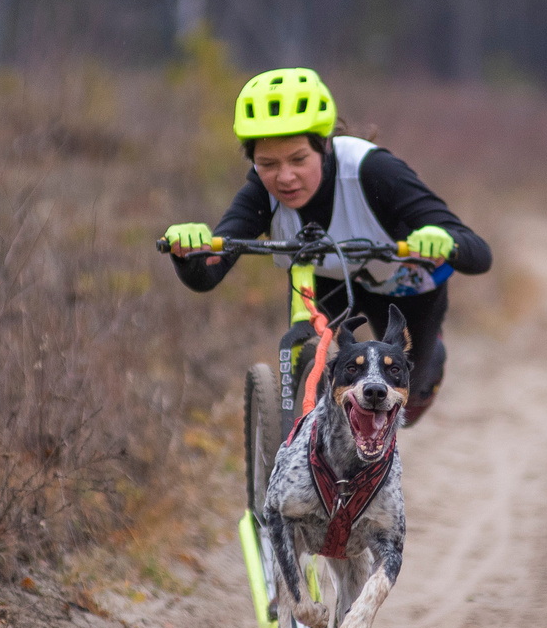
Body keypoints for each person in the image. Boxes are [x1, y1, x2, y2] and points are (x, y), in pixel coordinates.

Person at [161, 68, 489, 426]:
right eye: (268, 163)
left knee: (404, 409)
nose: (284, 177)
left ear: (325, 146)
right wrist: (189, 249)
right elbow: (208, 272)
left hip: (405, 290)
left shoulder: (374, 170)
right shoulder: (260, 190)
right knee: (330, 376)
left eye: (298, 159)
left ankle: (431, 365)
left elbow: (478, 253)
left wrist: (444, 240)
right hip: (327, 280)